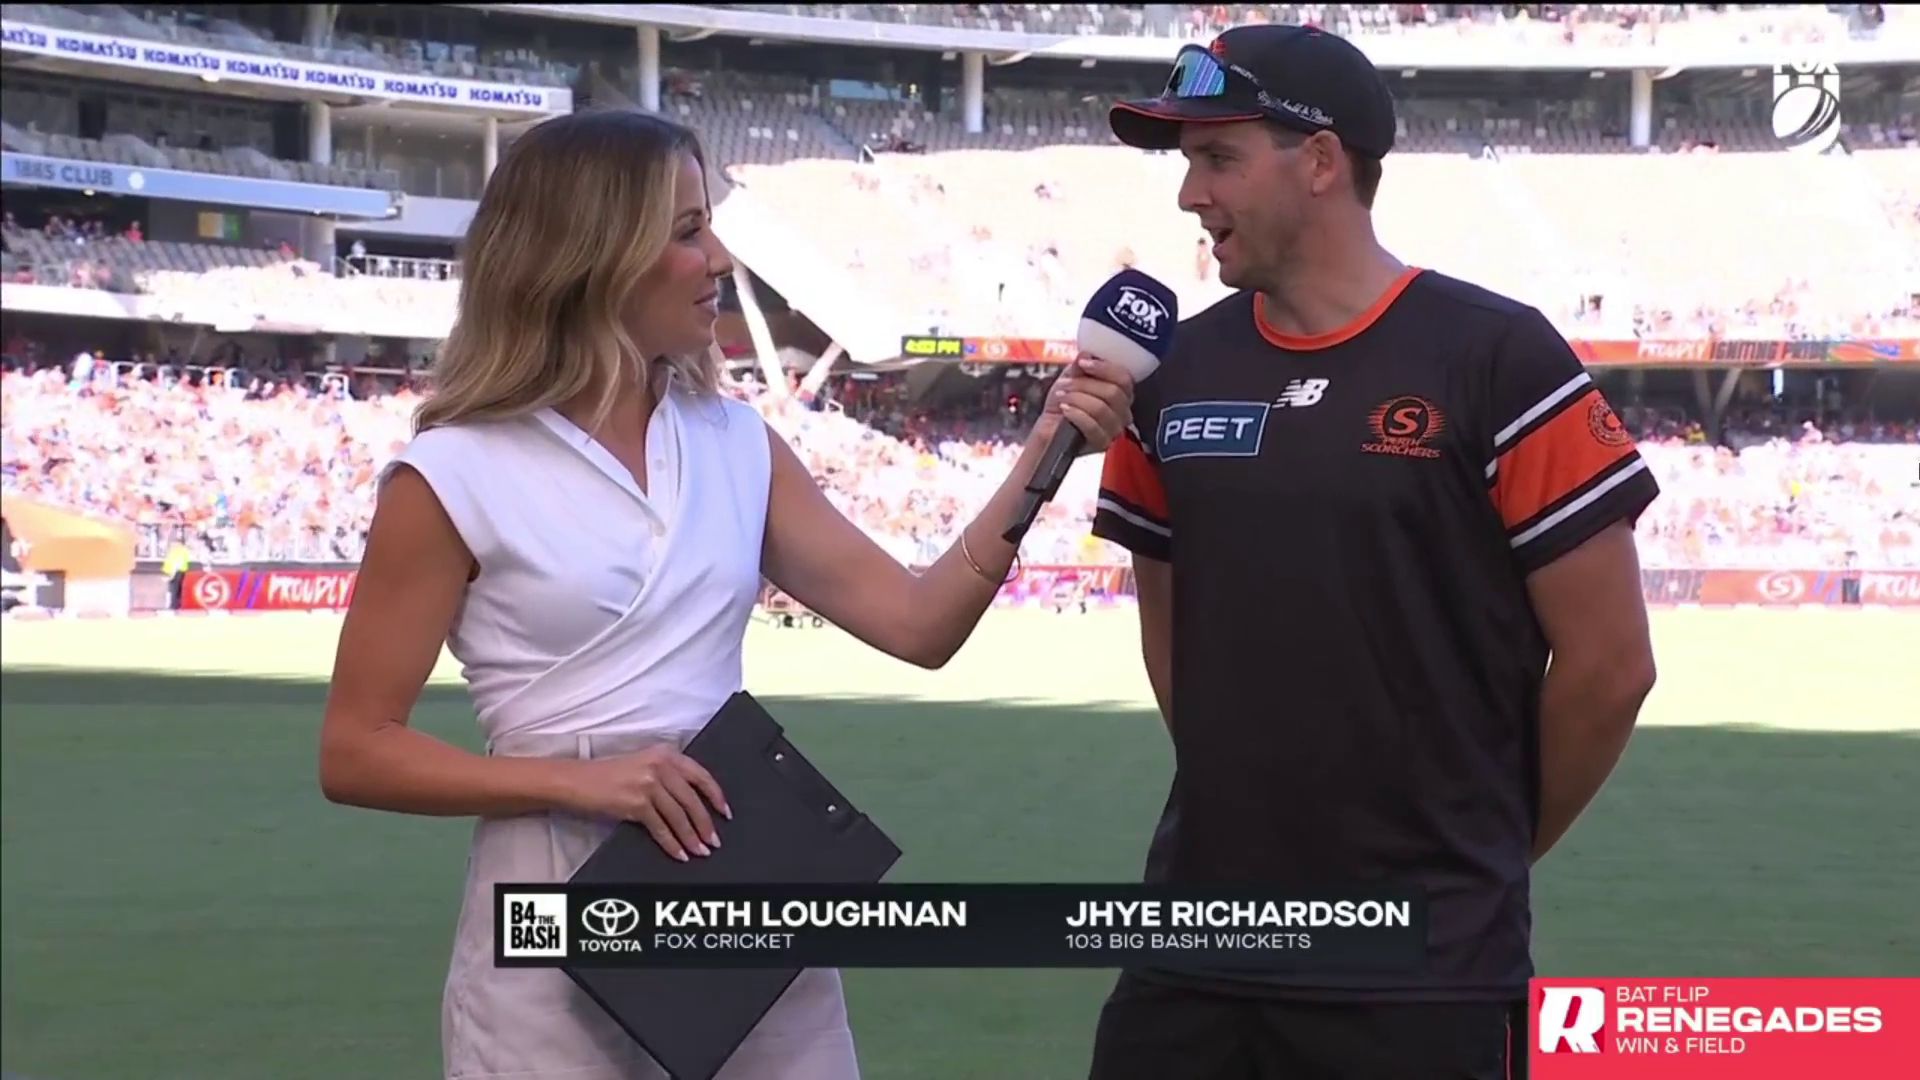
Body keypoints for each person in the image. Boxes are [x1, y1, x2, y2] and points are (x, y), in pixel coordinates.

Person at [315, 109, 1134, 1080]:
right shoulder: (451, 474)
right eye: (686, 231)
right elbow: (356, 751)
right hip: (549, 901)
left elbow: (920, 625)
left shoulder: (739, 444)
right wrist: (578, 781)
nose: (717, 259)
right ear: (591, 256)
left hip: (740, 874)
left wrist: (1048, 451)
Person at [1088, 25, 1661, 1079]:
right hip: (1196, 948)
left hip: (1422, 967)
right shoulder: (1170, 375)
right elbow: (1170, 637)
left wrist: (1479, 850)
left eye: (1218, 159)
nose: (1189, 195)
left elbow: (1611, 665)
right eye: (1187, 163)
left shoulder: (1499, 357)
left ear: (1319, 162)